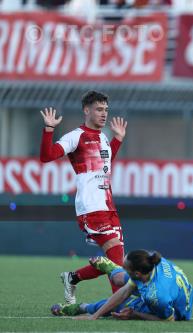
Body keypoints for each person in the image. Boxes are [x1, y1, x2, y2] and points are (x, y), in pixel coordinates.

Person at [39, 91, 128, 303]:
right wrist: (49, 129)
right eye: (99, 109)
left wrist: (118, 140)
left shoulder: (103, 136)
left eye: (106, 109)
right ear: (86, 110)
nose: (104, 114)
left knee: (116, 262)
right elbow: (46, 156)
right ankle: (118, 304)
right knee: (115, 257)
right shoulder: (75, 136)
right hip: (91, 207)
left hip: (108, 206)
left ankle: (72, 278)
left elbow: (105, 164)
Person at [74, 250, 193, 321]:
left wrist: (135, 314)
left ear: (137, 274)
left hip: (177, 311)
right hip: (173, 289)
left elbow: (169, 320)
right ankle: (111, 267)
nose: (123, 267)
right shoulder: (151, 261)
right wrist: (95, 316)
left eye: (125, 268)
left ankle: (83, 307)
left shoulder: (155, 297)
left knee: (121, 307)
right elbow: (123, 293)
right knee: (119, 279)